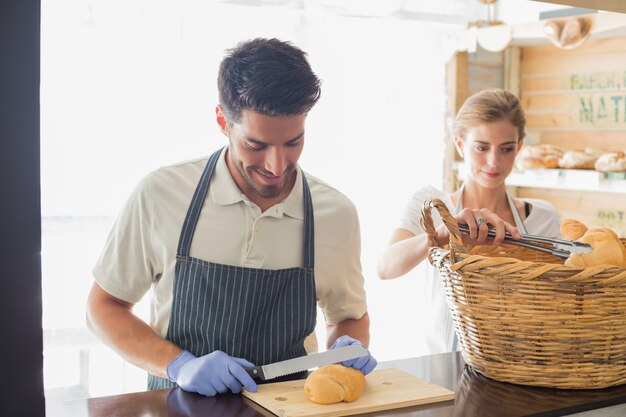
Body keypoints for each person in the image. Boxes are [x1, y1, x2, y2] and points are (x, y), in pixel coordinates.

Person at [86, 37, 376, 397]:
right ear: (223, 120)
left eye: (293, 142)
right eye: (256, 145)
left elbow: (349, 316)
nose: (277, 165)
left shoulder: (335, 214)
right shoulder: (161, 194)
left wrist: (346, 349)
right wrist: (179, 364)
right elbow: (103, 307)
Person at [377, 88, 561, 354]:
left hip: (519, 365)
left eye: (506, 149)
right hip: (442, 367)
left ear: (520, 146)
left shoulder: (542, 218)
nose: (494, 161)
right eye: (481, 148)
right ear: (460, 144)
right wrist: (441, 234)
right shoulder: (433, 205)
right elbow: (385, 267)